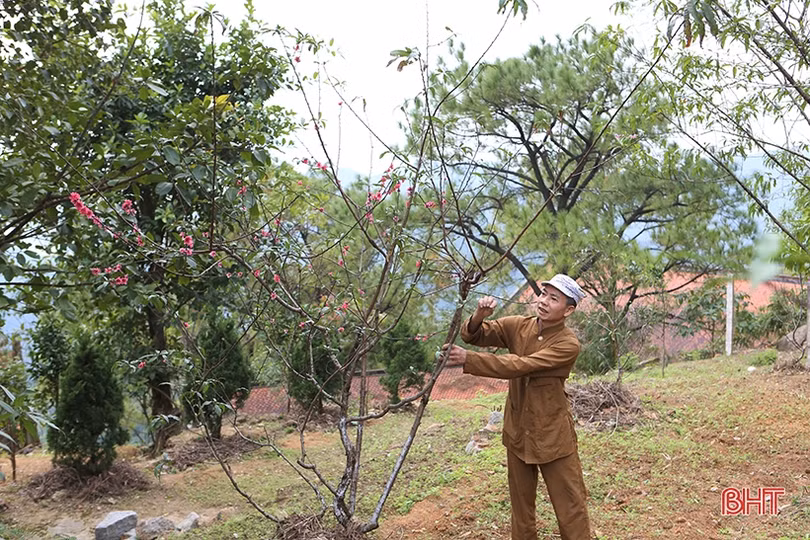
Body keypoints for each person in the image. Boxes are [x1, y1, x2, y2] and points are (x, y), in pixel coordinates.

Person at [443, 274, 592, 540]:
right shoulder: (518, 326)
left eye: (553, 299)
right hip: (517, 432)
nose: (544, 302)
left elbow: (522, 365)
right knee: (521, 510)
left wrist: (471, 361)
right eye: (543, 294)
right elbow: (474, 335)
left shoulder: (568, 344)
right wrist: (479, 315)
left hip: (552, 435)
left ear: (569, 310)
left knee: (571, 507)